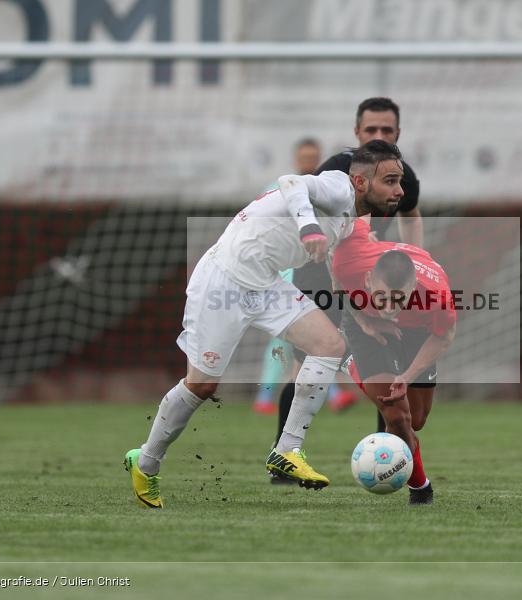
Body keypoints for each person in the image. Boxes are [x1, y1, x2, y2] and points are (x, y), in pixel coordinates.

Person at [124, 140, 405, 507]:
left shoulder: (353, 221)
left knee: (329, 346)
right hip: (224, 279)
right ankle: (146, 462)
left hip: (267, 284)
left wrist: (365, 319)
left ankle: (287, 451)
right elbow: (291, 182)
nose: (400, 191)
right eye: (390, 181)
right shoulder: (338, 186)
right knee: (201, 386)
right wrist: (308, 227)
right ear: (362, 182)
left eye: (399, 181)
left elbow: (340, 274)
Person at [274, 97, 423, 446]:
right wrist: (350, 235)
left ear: (398, 133)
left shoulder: (402, 177)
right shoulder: (336, 169)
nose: (378, 135)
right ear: (357, 132)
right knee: (307, 368)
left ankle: (389, 451)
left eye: (386, 129)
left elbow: (411, 214)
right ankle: (283, 455)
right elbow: (307, 210)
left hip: (371, 280)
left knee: (386, 359)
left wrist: (414, 260)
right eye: (371, 129)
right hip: (317, 276)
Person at [330, 216, 457, 505]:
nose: (388, 308)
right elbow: (335, 269)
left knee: (417, 419)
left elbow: (444, 337)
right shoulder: (350, 264)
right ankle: (421, 488)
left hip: (418, 331)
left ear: (413, 289)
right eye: (382, 297)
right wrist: (363, 319)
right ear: (367, 280)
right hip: (365, 326)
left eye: (398, 299)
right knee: (398, 416)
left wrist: (407, 376)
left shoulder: (437, 296)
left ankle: (350, 362)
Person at [253, 138, 324, 416]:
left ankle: (327, 394)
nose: (309, 162)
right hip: (285, 272)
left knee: (317, 335)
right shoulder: (277, 189)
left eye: (313, 157)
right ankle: (266, 394)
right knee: (285, 337)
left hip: (317, 272)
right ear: (296, 159)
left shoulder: (323, 191)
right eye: (304, 157)